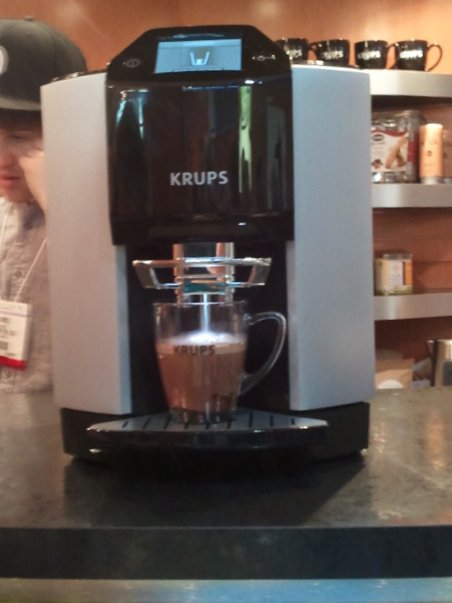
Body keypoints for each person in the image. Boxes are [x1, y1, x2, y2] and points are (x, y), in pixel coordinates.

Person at [0, 18, 86, 392]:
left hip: (69, 430)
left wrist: (62, 204)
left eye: (20, 137)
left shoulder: (105, 215)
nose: (2, 158)